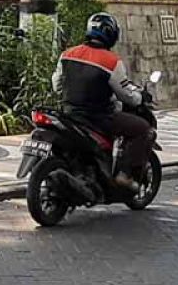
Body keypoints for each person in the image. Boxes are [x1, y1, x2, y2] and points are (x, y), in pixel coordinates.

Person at [52, 12, 151, 189]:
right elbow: (126, 94)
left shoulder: (67, 54)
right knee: (142, 128)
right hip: (98, 118)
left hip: (68, 114)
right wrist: (140, 98)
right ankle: (125, 175)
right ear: (111, 34)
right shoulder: (111, 61)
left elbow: (57, 85)